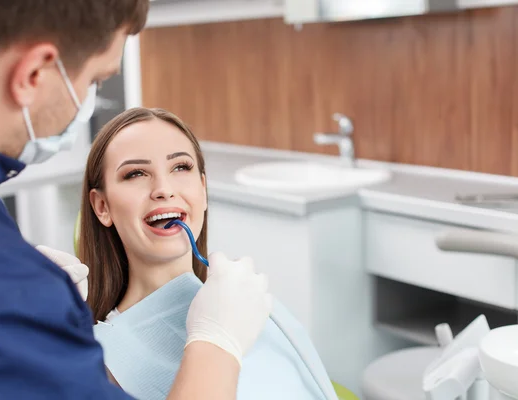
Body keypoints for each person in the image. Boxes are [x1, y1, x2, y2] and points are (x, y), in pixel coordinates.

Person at [0, 2, 272, 399]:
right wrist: (217, 345)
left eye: (181, 167)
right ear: (35, 73)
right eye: (96, 79)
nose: (164, 188)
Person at [77, 107, 335, 399]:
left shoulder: (249, 301)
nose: (163, 189)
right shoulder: (101, 360)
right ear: (102, 207)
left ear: (203, 188)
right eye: (135, 173)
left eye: (180, 167)